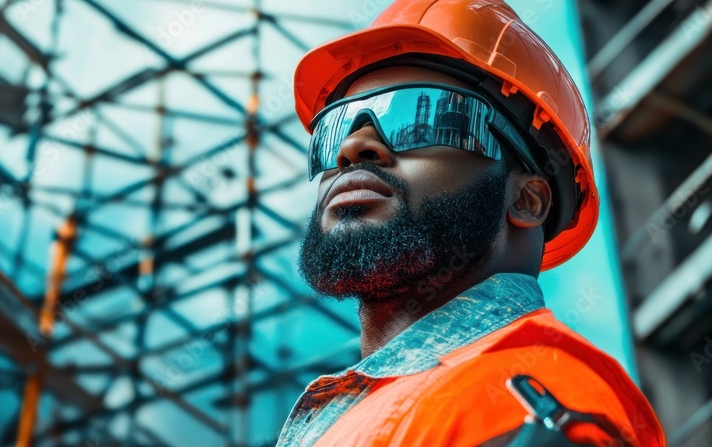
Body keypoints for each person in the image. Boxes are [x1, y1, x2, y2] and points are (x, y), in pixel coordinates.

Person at [280, 0, 666, 445]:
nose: (355, 147)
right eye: (336, 128)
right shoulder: (349, 422)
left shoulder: (537, 392)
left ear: (526, 199)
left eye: (419, 117)